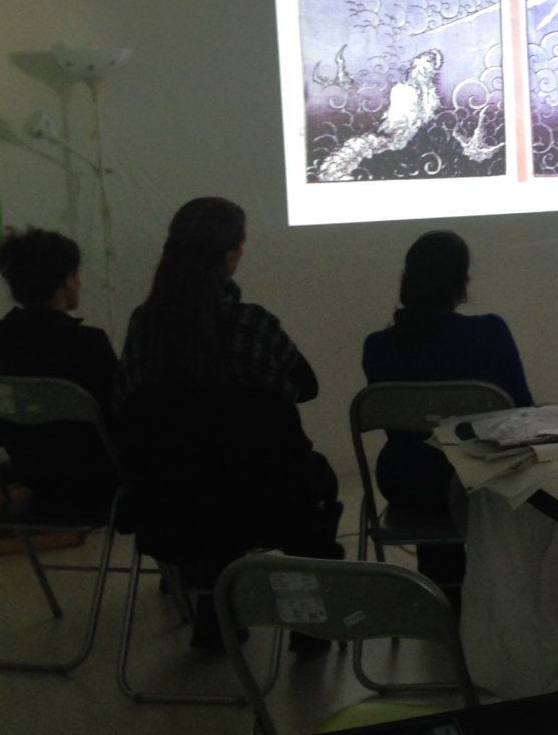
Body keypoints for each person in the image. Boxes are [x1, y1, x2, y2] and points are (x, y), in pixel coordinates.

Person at [117, 197, 342, 647]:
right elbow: (307, 386)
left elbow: (124, 404)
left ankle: (213, 612)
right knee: (311, 480)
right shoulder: (252, 325)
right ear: (231, 255)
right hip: (266, 500)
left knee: (206, 474)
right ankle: (309, 624)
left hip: (171, 503)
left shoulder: (144, 326)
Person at [361, 230, 532, 597]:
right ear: (461, 283)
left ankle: (443, 599)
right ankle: (491, 595)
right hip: (481, 478)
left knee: (433, 464)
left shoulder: (378, 347)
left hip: (407, 481)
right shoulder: (491, 333)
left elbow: (399, 427)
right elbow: (522, 411)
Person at [0, 227, 120, 517]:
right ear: (66, 281)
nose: (80, 282)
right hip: (96, 481)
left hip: (30, 474)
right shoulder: (88, 343)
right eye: (77, 274)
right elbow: (118, 420)